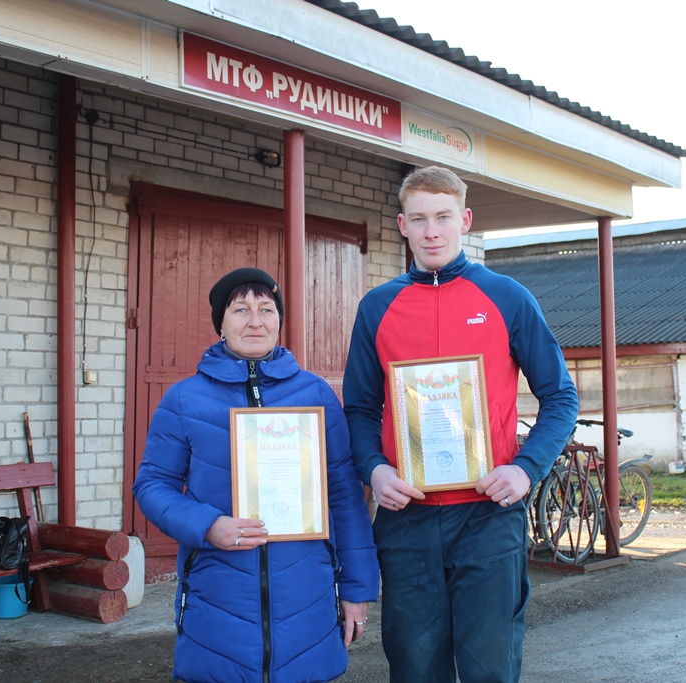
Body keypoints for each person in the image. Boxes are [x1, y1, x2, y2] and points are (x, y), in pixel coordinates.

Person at [342, 166, 579, 683]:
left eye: (443, 217)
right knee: (414, 668)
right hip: (408, 518)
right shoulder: (377, 308)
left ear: (465, 220)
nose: (432, 231)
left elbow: (560, 397)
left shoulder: (508, 297)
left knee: (489, 668)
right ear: (401, 224)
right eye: (420, 218)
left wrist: (525, 470)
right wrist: (375, 471)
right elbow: (359, 409)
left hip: (488, 516)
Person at [134, 267, 379, 683]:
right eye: (241, 309)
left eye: (266, 309)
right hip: (218, 596)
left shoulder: (315, 395)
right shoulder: (184, 399)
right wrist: (207, 525)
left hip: (307, 596)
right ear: (221, 323)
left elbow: (344, 496)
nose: (255, 320)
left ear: (279, 321)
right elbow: (152, 485)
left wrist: (358, 589)